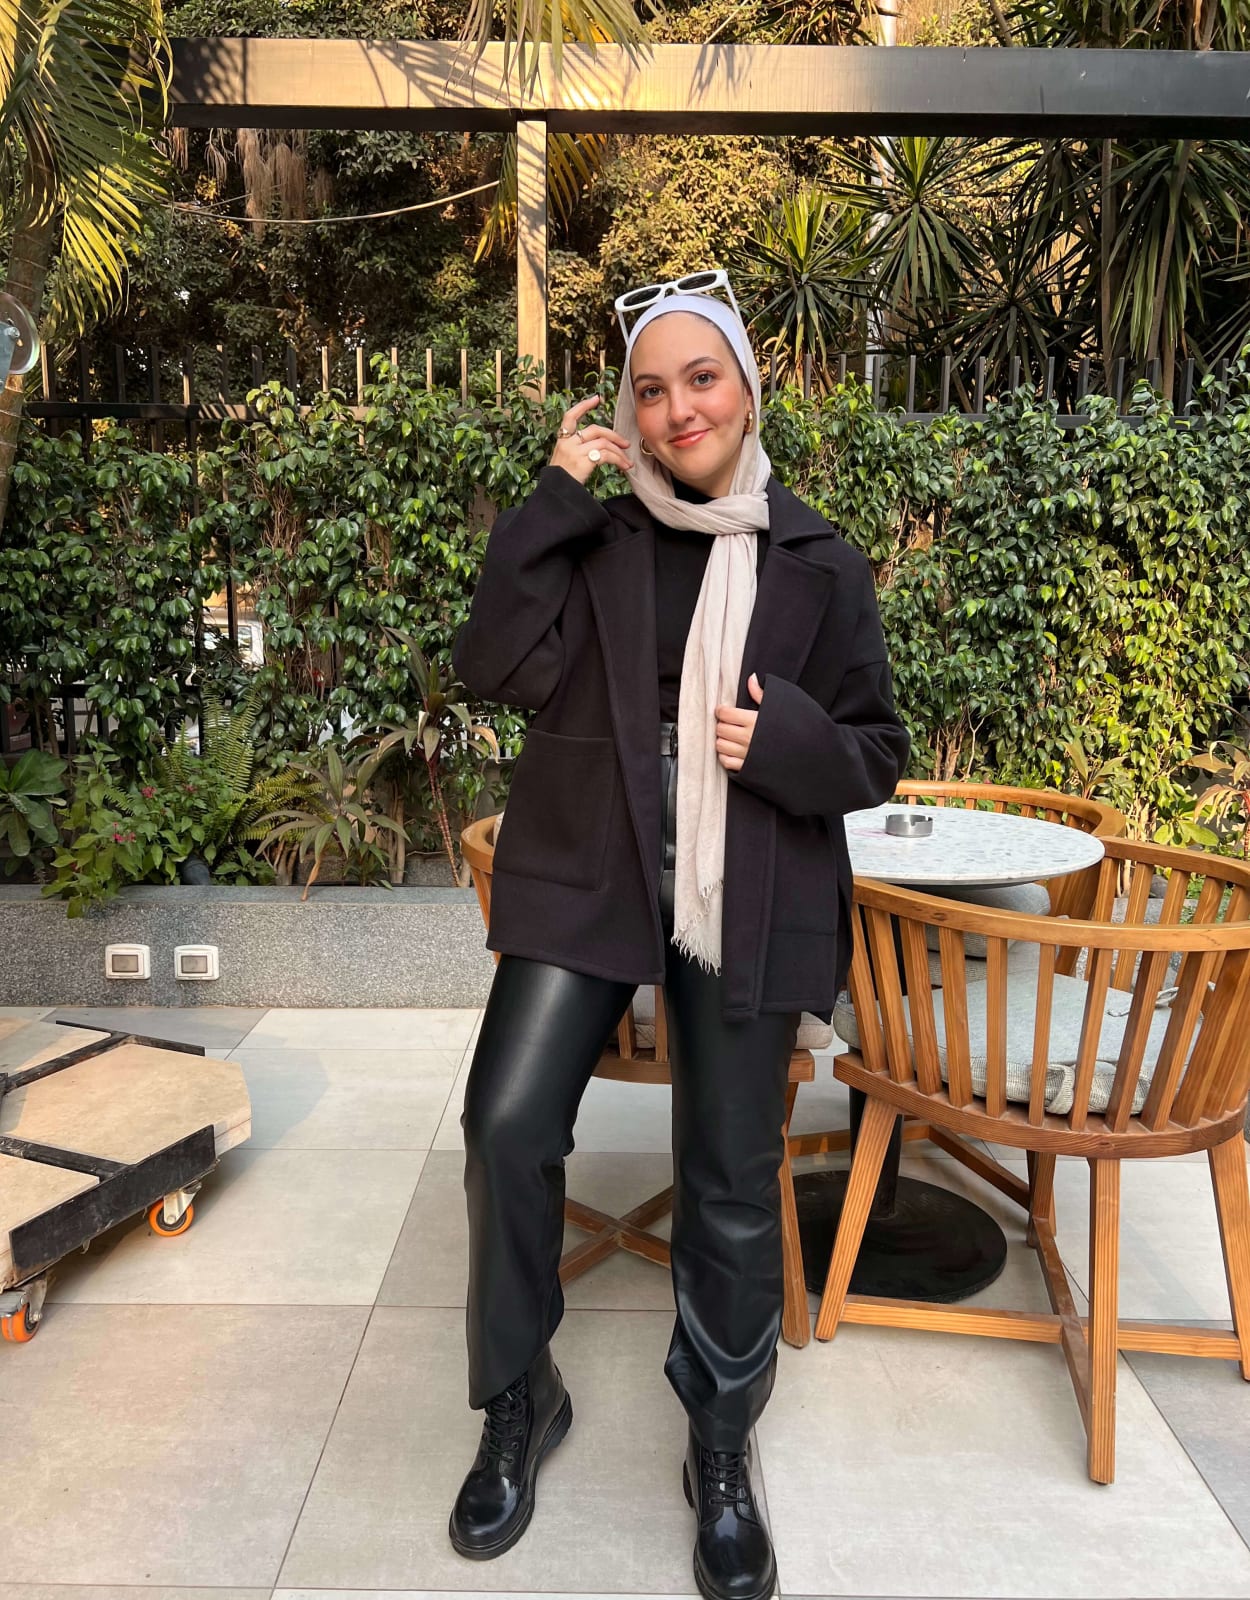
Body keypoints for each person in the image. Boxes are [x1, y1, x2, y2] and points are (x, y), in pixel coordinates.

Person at [448, 270, 910, 1600]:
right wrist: (550, 495)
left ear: (746, 390)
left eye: (700, 379)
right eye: (649, 390)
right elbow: (490, 665)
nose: (675, 409)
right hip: (586, 864)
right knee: (505, 1124)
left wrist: (788, 742)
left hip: (744, 881)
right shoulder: (591, 540)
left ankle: (718, 1441)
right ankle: (519, 1396)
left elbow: (877, 750)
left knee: (728, 1170)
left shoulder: (818, 560)